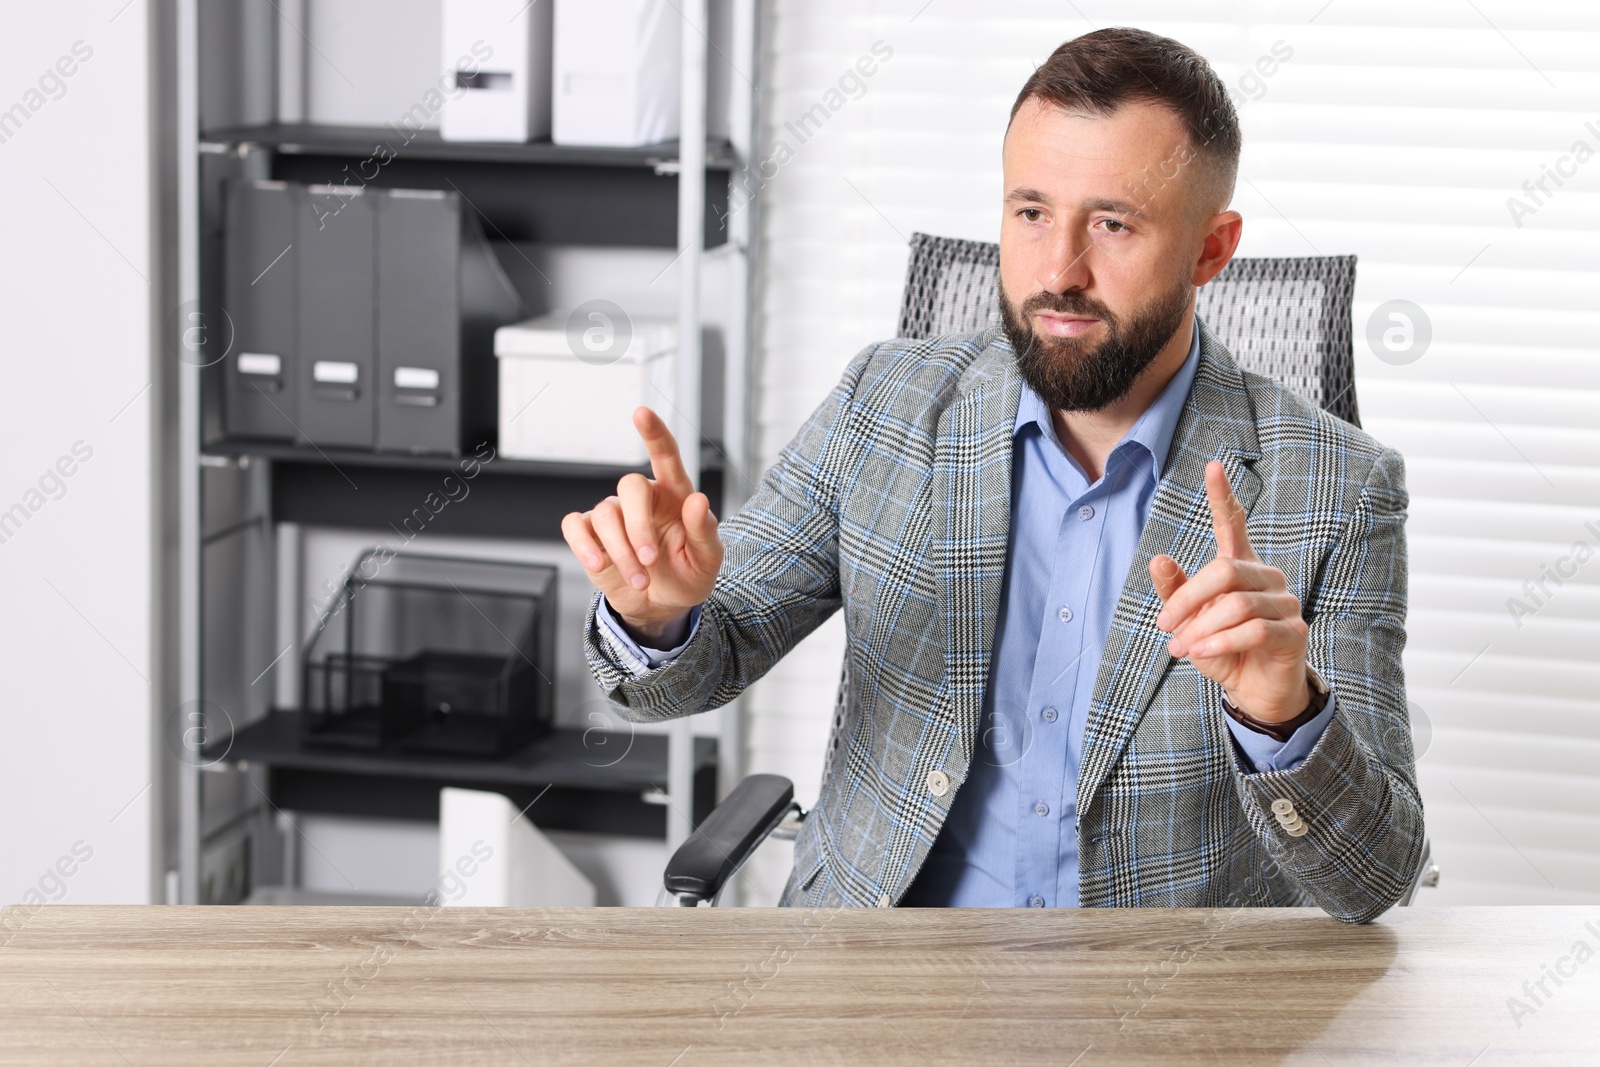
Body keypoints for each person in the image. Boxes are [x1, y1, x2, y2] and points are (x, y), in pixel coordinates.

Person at [561, 27, 1422, 921]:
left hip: (1154, 1009)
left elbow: (1376, 878)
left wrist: (1284, 716)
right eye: (1031, 212)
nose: (1059, 271)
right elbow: (690, 672)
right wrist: (656, 613)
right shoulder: (884, 406)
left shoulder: (1339, 488)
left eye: (1114, 223)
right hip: (875, 978)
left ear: (1212, 249)